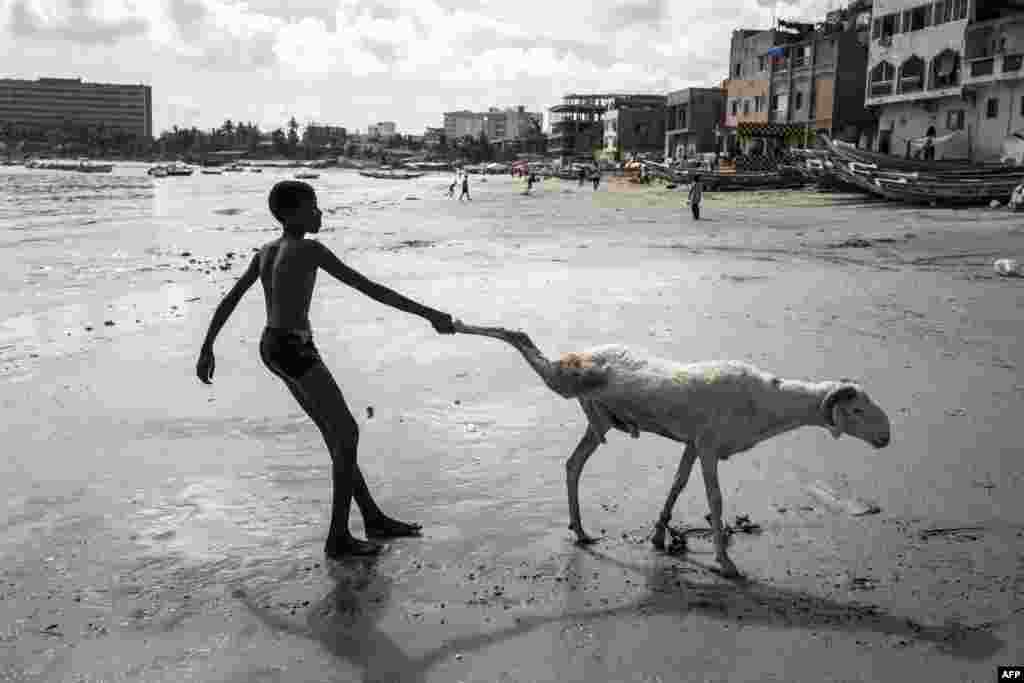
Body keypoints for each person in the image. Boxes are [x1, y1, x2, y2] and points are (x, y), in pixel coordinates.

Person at [195, 180, 456, 558]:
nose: (319, 213)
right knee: (346, 433)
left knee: (338, 437)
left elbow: (230, 298)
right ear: (288, 214)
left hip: (272, 346)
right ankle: (338, 537)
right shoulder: (309, 249)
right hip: (294, 348)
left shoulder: (266, 251)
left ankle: (372, 517)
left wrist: (207, 347)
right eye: (311, 206)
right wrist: (429, 314)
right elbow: (371, 289)